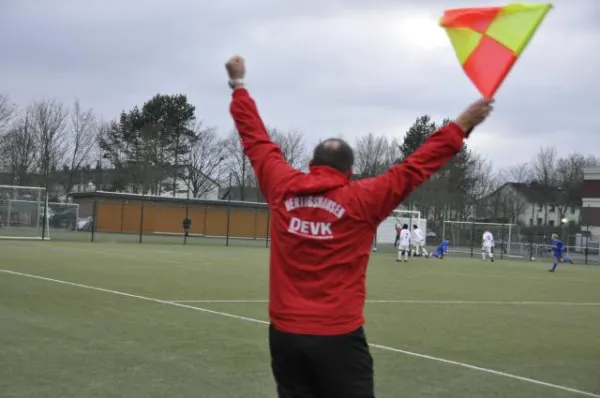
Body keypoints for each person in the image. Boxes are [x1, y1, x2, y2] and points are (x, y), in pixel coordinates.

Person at [225, 55, 494, 398]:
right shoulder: (363, 198)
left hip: (285, 336)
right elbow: (413, 168)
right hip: (338, 336)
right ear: (349, 171)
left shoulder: (281, 185)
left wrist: (239, 86)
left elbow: (255, 139)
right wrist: (462, 124)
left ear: (311, 164)